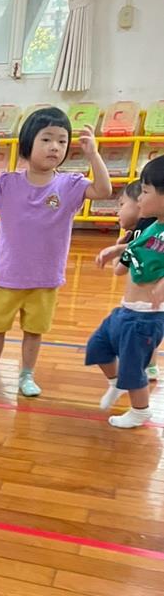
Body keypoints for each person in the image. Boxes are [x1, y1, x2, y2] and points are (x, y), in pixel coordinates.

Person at [0, 107, 112, 397]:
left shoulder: (70, 184)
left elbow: (104, 191)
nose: (55, 146)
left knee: (34, 331)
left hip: (45, 278)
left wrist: (94, 155)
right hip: (7, 276)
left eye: (62, 141)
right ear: (28, 143)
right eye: (46, 139)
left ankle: (27, 375)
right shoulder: (7, 183)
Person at [86, 157, 164, 427]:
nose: (140, 198)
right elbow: (139, 247)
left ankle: (140, 410)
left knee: (133, 367)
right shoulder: (154, 226)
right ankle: (116, 382)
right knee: (98, 346)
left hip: (146, 318)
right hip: (126, 310)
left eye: (146, 191)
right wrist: (117, 249)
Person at [94, 179, 159, 382]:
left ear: (139, 202)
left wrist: (117, 248)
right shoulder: (149, 229)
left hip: (144, 307)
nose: (118, 211)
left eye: (122, 204)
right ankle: (150, 365)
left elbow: (119, 270)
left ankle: (140, 372)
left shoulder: (143, 230)